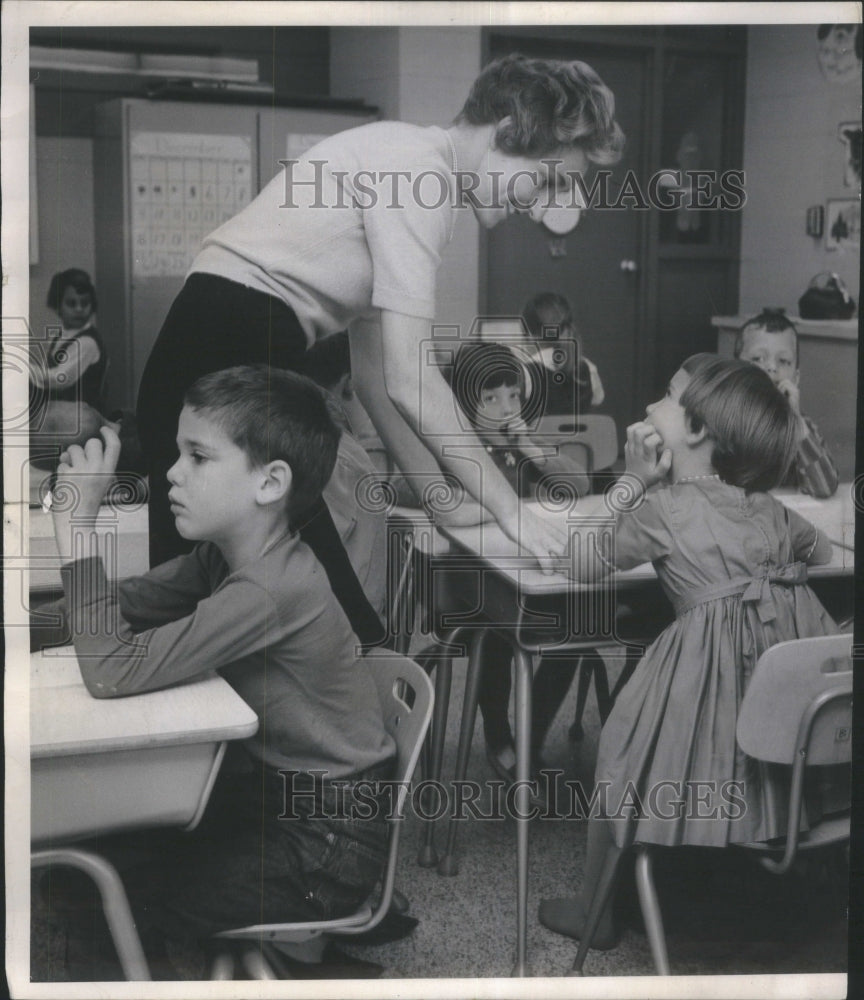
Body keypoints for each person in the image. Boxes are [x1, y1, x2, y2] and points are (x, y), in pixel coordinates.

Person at [136, 54, 625, 589]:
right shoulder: (422, 176)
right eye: (549, 181)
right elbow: (414, 383)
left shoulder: (408, 161)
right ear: (507, 132)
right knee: (254, 585)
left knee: (240, 586)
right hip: (230, 338)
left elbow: (377, 379)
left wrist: (441, 498)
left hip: (219, 339)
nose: (540, 208)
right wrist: (513, 512)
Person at [35, 365, 397, 972]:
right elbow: (116, 605)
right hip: (273, 804)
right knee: (90, 857)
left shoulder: (269, 587)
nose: (172, 472)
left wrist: (78, 530)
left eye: (197, 456)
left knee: (91, 894)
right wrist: (17, 619)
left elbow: (111, 670)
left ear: (270, 482)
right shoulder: (223, 560)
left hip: (321, 845)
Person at [539, 354, 840, 950]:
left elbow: (580, 558)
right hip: (771, 715)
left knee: (619, 753)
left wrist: (632, 479)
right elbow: (825, 553)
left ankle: (594, 915)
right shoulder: (773, 510)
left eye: (667, 397)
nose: (652, 405)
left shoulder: (664, 509)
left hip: (702, 699)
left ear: (697, 431)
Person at [448, 340, 591, 779]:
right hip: (476, 580)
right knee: (496, 639)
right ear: (462, 406)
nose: (504, 408)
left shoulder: (522, 446)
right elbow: (430, 499)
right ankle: (498, 731)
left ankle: (531, 738)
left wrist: (529, 445)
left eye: (512, 395)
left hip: (532, 574)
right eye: (489, 399)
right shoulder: (458, 451)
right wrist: (505, 507)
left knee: (576, 629)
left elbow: (580, 484)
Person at [303, 332, 389, 618]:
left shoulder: (330, 454)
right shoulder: (335, 449)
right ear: (350, 383)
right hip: (342, 618)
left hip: (336, 629)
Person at [734, 307, 839, 499]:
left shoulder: (801, 426)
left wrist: (797, 424)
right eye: (757, 359)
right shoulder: (718, 419)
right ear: (734, 370)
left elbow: (825, 487)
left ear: (796, 378)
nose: (771, 367)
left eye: (783, 361)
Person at [521, 291, 605, 415]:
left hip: (541, 435)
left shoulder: (526, 372)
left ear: (529, 335)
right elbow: (598, 399)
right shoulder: (588, 367)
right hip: (581, 435)